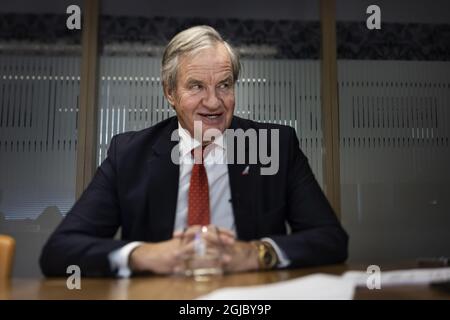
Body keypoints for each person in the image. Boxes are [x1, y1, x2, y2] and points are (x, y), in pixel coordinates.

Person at [40, 25, 348, 277]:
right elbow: (60, 251)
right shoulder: (129, 154)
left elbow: (331, 240)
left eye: (224, 85)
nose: (214, 102)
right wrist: (143, 254)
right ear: (170, 93)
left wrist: (257, 254)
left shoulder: (275, 146)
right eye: (196, 86)